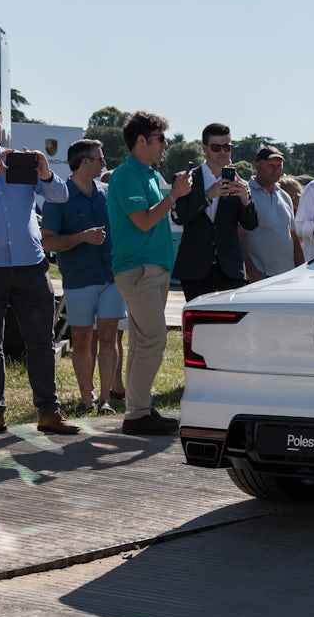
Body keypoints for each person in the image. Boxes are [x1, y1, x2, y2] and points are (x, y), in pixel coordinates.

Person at [0, 100, 79, 436]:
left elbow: (60, 196)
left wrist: (46, 172)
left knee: (41, 343)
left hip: (30, 266)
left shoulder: (22, 161)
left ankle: (49, 413)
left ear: (2, 126)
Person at [107, 111, 192, 435]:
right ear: (140, 141)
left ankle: (138, 410)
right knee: (153, 340)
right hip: (139, 269)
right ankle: (137, 414)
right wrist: (174, 195)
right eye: (159, 139)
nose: (165, 145)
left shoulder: (148, 175)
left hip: (147, 269)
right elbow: (143, 221)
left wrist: (172, 195)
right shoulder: (128, 174)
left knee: (144, 341)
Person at [40, 139, 127, 414]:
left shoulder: (107, 192)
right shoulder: (58, 197)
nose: (105, 163)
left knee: (109, 335)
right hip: (79, 280)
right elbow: (48, 242)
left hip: (112, 277)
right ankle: (85, 399)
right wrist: (82, 238)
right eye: (100, 158)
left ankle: (104, 400)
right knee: (81, 340)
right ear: (85, 162)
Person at [171, 123, 259, 301]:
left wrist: (245, 199)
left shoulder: (239, 182)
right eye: (216, 147)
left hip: (230, 268)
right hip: (194, 267)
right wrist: (207, 196)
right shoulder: (186, 179)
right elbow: (179, 217)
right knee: (199, 325)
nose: (223, 152)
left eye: (227, 147)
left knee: (230, 326)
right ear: (204, 148)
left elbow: (251, 225)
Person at [242, 146, 303, 280]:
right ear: (257, 165)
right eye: (270, 165)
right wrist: (251, 271)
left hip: (287, 276)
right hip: (260, 277)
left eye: (279, 165)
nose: (276, 169)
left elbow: (293, 237)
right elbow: (237, 238)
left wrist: (301, 270)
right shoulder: (245, 194)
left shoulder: (285, 196)